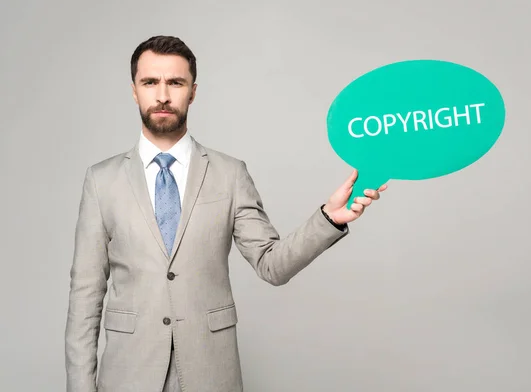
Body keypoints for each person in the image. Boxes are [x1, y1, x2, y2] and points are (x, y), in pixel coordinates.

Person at [64, 35, 387, 392]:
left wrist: (329, 217)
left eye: (175, 82)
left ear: (193, 91)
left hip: (210, 373)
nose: (162, 95)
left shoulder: (230, 173)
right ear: (134, 90)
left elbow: (272, 265)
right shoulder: (101, 180)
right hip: (128, 374)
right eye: (150, 82)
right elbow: (85, 295)